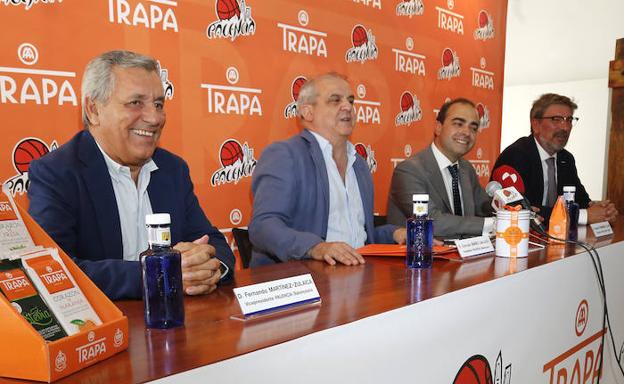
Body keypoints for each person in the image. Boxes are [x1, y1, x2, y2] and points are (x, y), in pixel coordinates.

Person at [28, 50, 235, 300]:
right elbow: (54, 270)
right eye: (135, 103)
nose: (154, 118)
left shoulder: (173, 170)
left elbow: (212, 242)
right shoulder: (57, 173)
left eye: (158, 104)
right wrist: (160, 274)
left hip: (175, 327)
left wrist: (209, 269)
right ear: (93, 109)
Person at [249, 72, 406, 267]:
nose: (347, 107)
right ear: (307, 112)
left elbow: (360, 237)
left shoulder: (359, 164)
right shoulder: (285, 154)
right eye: (335, 100)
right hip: (304, 282)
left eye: (350, 100)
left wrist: (395, 233)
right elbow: (263, 227)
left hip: (357, 277)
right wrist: (316, 247)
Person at [492, 93, 618, 224]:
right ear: (536, 124)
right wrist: (583, 216)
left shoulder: (566, 159)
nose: (565, 127)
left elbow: (581, 202)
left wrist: (602, 210)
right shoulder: (516, 155)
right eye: (556, 119)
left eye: (569, 120)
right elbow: (520, 209)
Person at [387, 98, 494, 239]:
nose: (467, 132)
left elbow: (485, 208)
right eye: (458, 124)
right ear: (438, 127)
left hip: (464, 257)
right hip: (421, 258)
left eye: (473, 128)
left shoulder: (466, 169)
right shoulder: (409, 171)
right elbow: (431, 221)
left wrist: (512, 211)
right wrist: (492, 224)